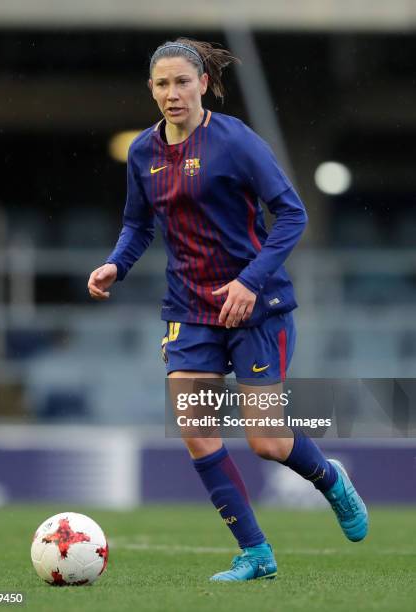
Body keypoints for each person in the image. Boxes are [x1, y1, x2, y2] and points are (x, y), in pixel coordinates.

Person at [88, 38, 368, 582]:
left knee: (266, 441)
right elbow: (137, 224)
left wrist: (249, 281)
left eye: (182, 82)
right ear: (151, 90)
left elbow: (291, 214)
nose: (173, 93)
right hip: (188, 309)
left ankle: (330, 479)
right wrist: (115, 266)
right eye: (162, 84)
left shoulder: (236, 141)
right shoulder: (144, 152)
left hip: (256, 307)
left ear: (204, 85)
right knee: (197, 429)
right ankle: (256, 553)